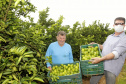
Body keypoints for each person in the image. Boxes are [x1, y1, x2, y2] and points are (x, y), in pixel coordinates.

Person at [90, 17, 126, 84]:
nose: (118, 25)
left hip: (112, 68)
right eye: (116, 24)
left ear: (124, 26)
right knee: (92, 81)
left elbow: (115, 54)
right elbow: (105, 47)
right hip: (101, 65)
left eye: (121, 24)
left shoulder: (124, 39)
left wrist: (100, 59)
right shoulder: (110, 36)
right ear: (113, 25)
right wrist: (97, 45)